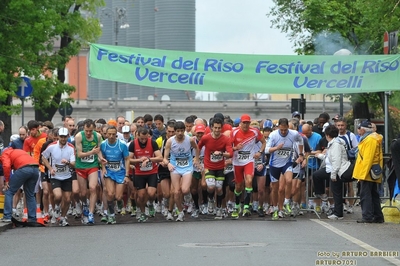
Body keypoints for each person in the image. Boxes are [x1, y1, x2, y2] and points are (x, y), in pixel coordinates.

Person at [314, 125, 353, 220]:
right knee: (335, 191)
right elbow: (329, 158)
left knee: (336, 192)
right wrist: (320, 156)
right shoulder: (334, 143)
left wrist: (334, 174)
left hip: (337, 170)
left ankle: (338, 213)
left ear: (327, 135)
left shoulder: (335, 145)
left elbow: (336, 160)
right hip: (333, 169)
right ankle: (337, 212)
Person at [162, 121, 199, 222]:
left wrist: (196, 158)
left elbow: (196, 148)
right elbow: (164, 158)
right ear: (175, 132)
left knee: (185, 190)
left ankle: (187, 200)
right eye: (177, 131)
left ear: (184, 131)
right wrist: (168, 164)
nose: (180, 133)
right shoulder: (170, 141)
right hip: (175, 167)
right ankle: (180, 211)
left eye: (182, 131)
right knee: (176, 191)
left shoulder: (189, 140)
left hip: (187, 166)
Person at [231, 114, 266, 219]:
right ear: (240, 123)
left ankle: (246, 206)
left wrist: (259, 152)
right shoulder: (234, 132)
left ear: (249, 123)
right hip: (237, 162)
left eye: (247, 123)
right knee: (238, 186)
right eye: (244, 122)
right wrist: (235, 148)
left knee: (249, 181)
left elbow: (264, 142)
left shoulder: (255, 132)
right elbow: (228, 147)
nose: (245, 125)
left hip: (249, 161)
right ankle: (237, 206)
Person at [197, 118, 233, 219]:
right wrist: (196, 159)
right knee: (211, 186)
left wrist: (221, 153)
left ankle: (219, 208)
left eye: (219, 128)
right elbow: (198, 147)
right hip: (209, 166)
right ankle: (211, 200)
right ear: (211, 127)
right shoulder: (206, 138)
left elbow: (230, 153)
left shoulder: (225, 139)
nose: (217, 130)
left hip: (220, 167)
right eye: (215, 128)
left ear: (221, 128)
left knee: (219, 188)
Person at [41, 128, 76, 226]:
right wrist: (50, 168)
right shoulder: (51, 146)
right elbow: (43, 157)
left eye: (65, 137)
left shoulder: (71, 147)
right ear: (58, 136)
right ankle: (56, 207)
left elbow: (74, 163)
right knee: (58, 195)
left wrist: (68, 162)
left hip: (67, 176)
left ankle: (63, 217)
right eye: (61, 137)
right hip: (55, 176)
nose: (63, 139)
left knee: (68, 199)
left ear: (68, 137)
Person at [352, 120, 384, 223]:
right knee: (373, 194)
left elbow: (368, 159)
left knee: (366, 195)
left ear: (362, 129)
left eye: (359, 128)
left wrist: (362, 175)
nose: (358, 130)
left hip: (367, 172)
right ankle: (377, 216)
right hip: (372, 171)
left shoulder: (370, 140)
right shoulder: (372, 138)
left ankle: (367, 216)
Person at [74, 119, 105, 224]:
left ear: (94, 129)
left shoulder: (98, 136)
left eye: (90, 131)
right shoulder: (78, 136)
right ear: (84, 128)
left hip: (93, 165)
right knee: (82, 193)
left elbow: (99, 151)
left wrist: (101, 159)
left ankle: (91, 214)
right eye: (87, 130)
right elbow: (79, 154)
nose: (88, 133)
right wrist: (92, 152)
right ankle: (85, 204)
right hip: (80, 166)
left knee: (93, 188)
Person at [129, 127, 163, 222]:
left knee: (151, 193)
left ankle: (151, 203)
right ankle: (143, 213)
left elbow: (160, 158)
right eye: (141, 138)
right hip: (139, 173)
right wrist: (139, 160)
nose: (143, 140)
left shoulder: (152, 142)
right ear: (137, 136)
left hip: (152, 171)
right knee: (141, 195)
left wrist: (149, 159)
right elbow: (129, 159)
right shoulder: (133, 144)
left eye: (145, 138)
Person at [100, 126, 130, 224]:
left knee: (118, 197)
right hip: (109, 172)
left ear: (116, 135)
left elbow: (127, 159)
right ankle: (111, 215)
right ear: (106, 134)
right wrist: (103, 168)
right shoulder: (103, 145)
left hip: (120, 172)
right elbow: (101, 158)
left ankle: (119, 202)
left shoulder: (122, 145)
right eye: (110, 134)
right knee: (110, 193)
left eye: (114, 134)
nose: (111, 136)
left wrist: (127, 175)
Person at [0, 147, 40, 223]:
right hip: (35, 168)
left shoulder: (5, 154)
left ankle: (7, 216)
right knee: (30, 194)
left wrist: (7, 180)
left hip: (24, 168)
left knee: (9, 191)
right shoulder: (18, 151)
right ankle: (32, 218)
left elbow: (6, 166)